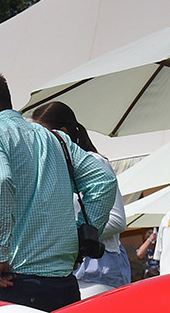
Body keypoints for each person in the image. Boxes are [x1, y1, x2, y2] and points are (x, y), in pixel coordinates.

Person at [0, 68, 117, 311]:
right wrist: (80, 240)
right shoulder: (53, 138)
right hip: (62, 284)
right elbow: (103, 180)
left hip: (12, 283)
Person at [29, 101, 130, 298]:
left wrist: (67, 236)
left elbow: (118, 220)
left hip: (99, 268)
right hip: (67, 267)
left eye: (43, 135)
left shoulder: (95, 163)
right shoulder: (52, 171)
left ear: (63, 133)